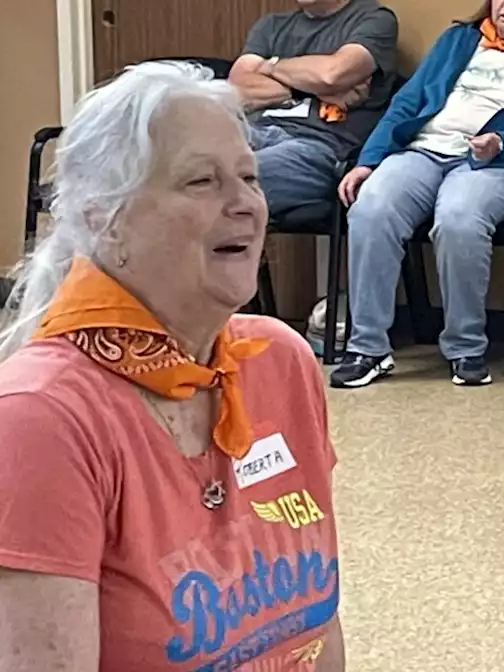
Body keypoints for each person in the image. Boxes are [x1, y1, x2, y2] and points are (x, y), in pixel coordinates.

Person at [0, 63, 343, 670]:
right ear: (108, 217)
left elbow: (316, 636)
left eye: (249, 177)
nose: (245, 205)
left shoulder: (280, 360)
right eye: (201, 182)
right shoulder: (40, 418)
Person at [329, 0, 504, 389]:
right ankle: (367, 348)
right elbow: (407, 102)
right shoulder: (458, 39)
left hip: (493, 162)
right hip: (424, 150)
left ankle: (465, 347)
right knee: (371, 208)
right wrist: (368, 160)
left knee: (459, 218)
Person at [229, 0, 398, 218]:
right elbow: (238, 88)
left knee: (230, 181)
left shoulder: (374, 19)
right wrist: (306, 87)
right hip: (255, 129)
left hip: (319, 145)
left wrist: (268, 66)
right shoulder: (271, 25)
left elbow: (332, 74)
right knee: (187, 161)